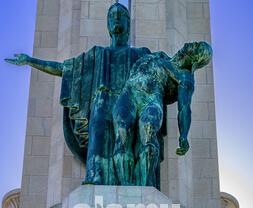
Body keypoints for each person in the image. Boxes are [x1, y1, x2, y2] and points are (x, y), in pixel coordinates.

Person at [5, 3, 151, 186]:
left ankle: (130, 181)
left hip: (129, 106)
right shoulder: (97, 54)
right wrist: (31, 61)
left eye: (120, 15)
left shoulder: (141, 55)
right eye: (112, 15)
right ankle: (95, 178)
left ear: (129, 23)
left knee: (126, 142)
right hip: (102, 105)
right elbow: (65, 69)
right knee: (97, 136)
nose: (116, 18)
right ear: (107, 25)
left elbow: (164, 73)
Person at [112, 41, 212, 186]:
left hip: (151, 102)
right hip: (129, 95)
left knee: (149, 134)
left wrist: (183, 135)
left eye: (196, 47)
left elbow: (184, 108)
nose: (192, 44)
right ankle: (124, 185)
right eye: (196, 43)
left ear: (196, 59)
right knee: (121, 135)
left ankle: (145, 185)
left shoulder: (185, 77)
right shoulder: (161, 56)